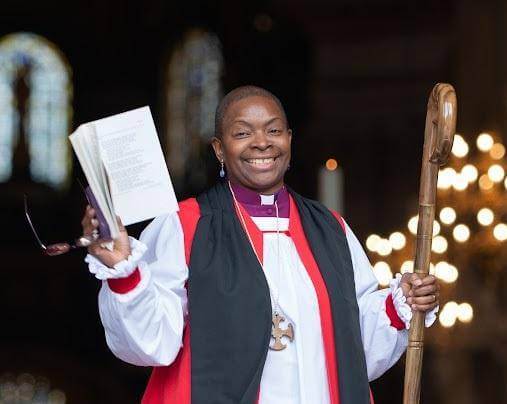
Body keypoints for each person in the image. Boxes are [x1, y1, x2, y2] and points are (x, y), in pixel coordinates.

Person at [82, 86, 439, 404]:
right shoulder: (184, 226)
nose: (262, 142)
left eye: (273, 130)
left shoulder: (332, 230)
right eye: (242, 133)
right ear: (219, 149)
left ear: (289, 139)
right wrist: (123, 274)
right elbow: (152, 343)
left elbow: (354, 350)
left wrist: (400, 304)